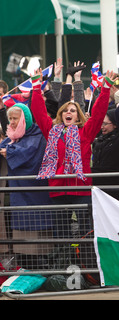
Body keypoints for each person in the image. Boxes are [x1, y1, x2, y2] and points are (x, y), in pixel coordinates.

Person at [30, 68, 117, 238]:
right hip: (58, 190)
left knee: (85, 232)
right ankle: (63, 262)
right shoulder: (52, 131)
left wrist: (105, 88)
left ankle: (84, 263)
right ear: (60, 115)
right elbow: (39, 112)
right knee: (61, 233)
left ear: (78, 116)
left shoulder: (86, 132)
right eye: (65, 110)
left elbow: (99, 113)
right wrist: (35, 86)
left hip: (81, 190)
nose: (68, 113)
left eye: (72, 110)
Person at [0, 102, 52, 267]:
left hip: (31, 196)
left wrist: (10, 152)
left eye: (16, 118)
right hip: (13, 193)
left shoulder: (38, 136)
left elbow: (29, 156)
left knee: (34, 241)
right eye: (10, 119)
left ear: (25, 119)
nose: (12, 122)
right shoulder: (13, 137)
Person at [91, 109, 119, 201]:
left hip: (114, 186)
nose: (102, 127)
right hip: (98, 186)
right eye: (102, 124)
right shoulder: (100, 139)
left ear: (115, 124)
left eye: (105, 124)